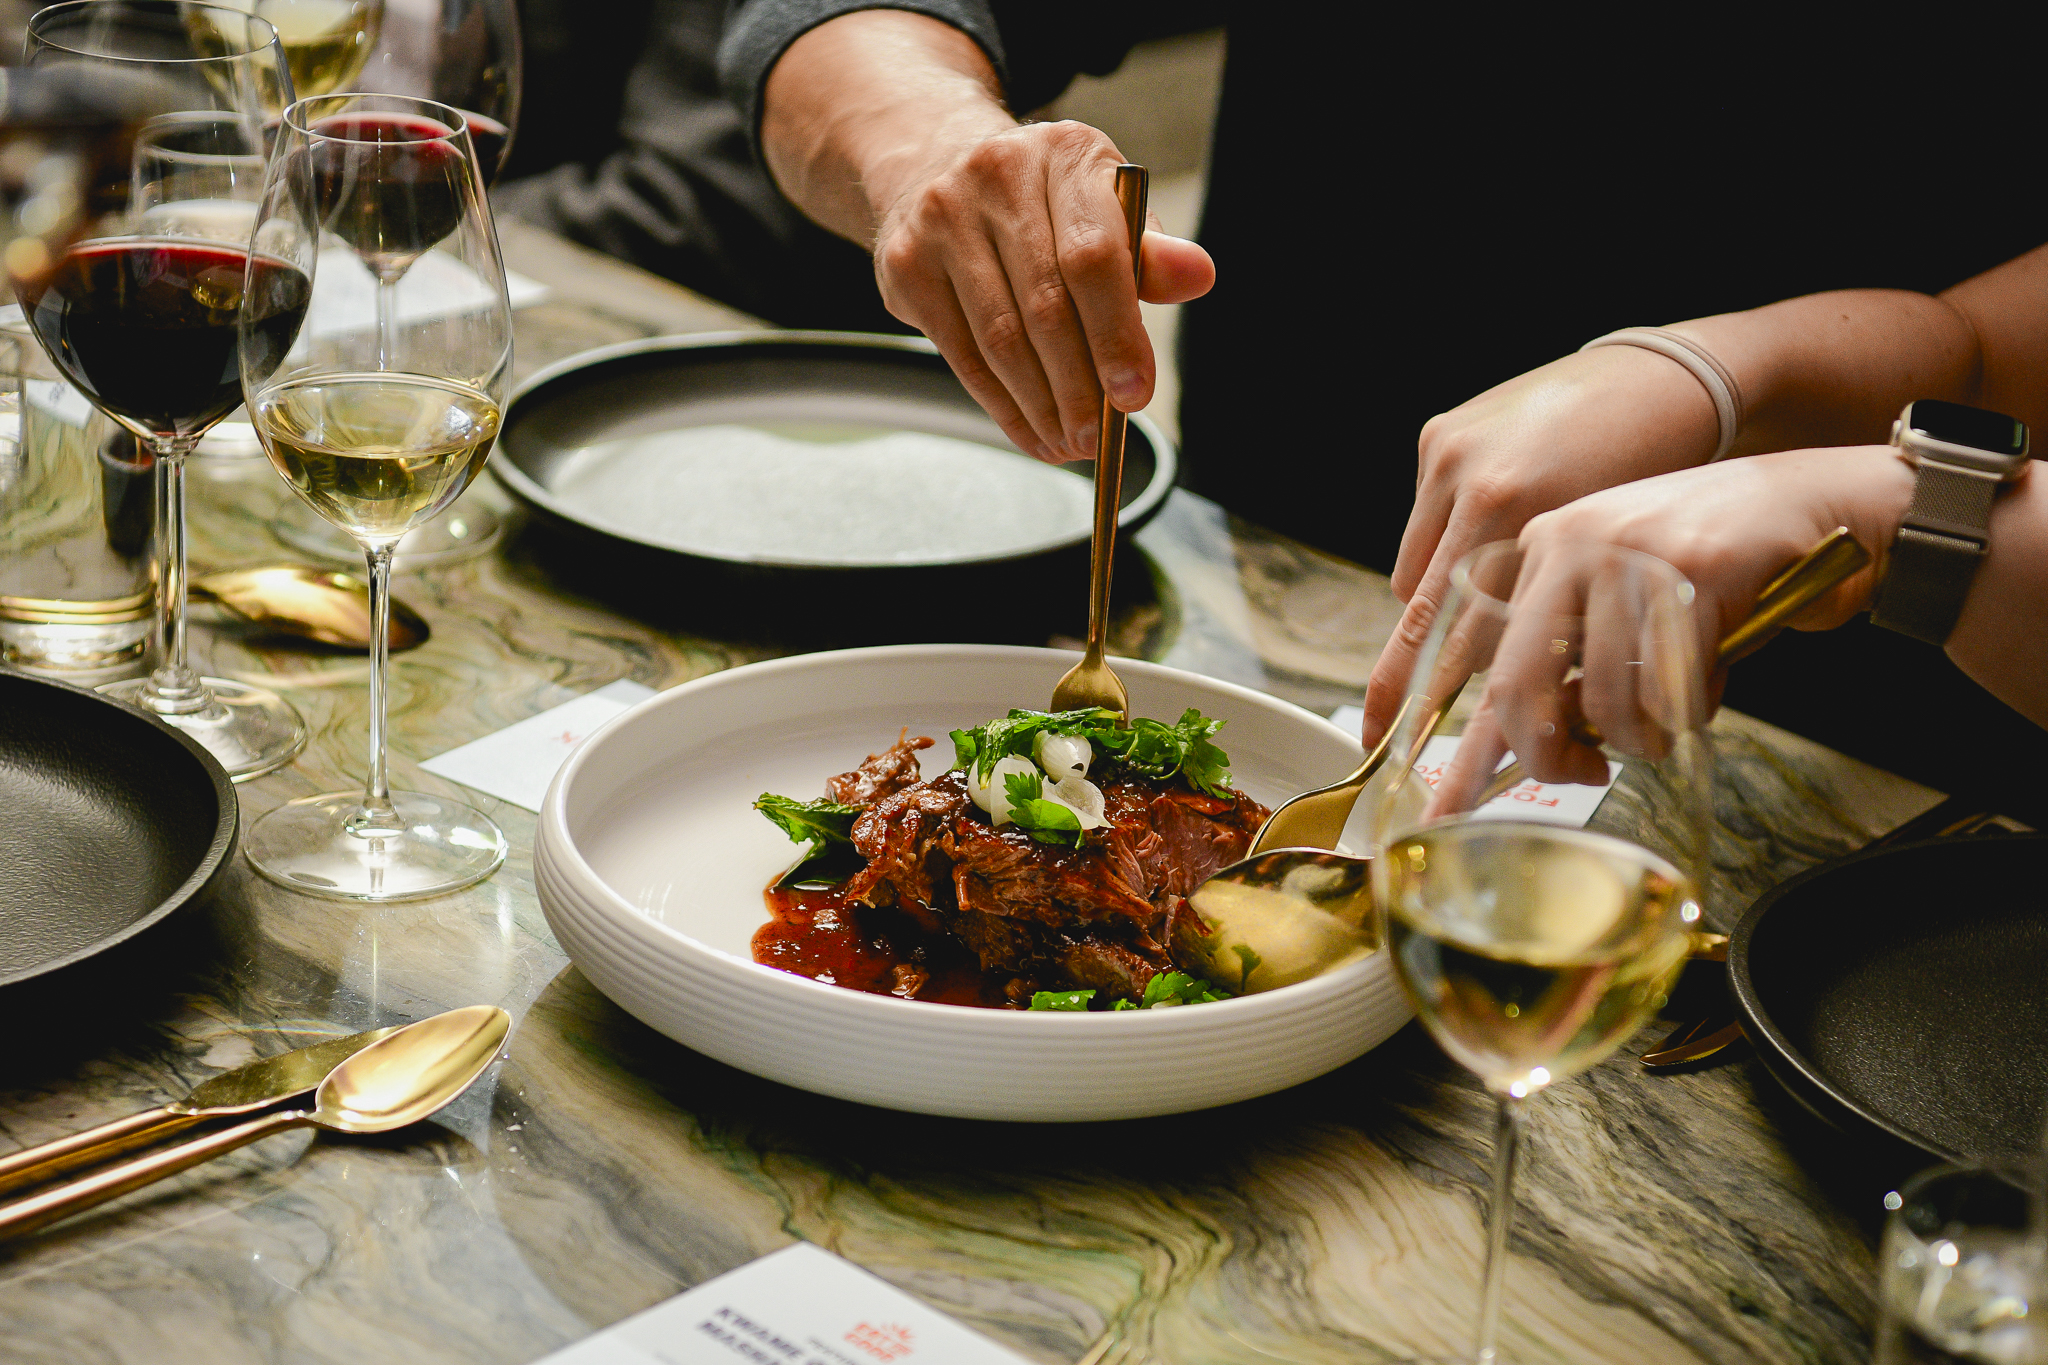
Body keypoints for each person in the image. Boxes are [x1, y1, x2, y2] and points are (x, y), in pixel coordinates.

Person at [718, 4, 2048, 570]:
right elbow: (829, 23)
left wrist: (1728, 374)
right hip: (1271, 557)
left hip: (1885, 644)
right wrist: (927, 142)